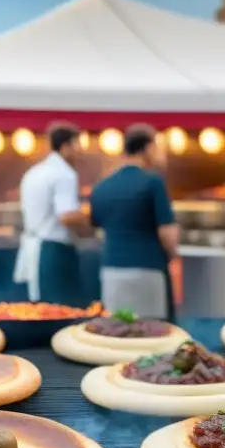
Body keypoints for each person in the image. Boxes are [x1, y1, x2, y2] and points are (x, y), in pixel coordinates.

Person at [89, 124, 179, 320]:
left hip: (111, 270)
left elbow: (96, 226)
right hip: (147, 270)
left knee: (118, 329)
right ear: (147, 148)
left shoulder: (102, 186)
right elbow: (167, 231)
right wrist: (173, 255)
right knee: (151, 333)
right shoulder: (152, 182)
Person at [13, 122, 88, 306]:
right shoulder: (64, 174)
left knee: (40, 311)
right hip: (55, 251)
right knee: (64, 311)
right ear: (65, 146)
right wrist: (90, 218)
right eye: (77, 144)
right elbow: (66, 216)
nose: (80, 150)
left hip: (36, 248)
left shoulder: (34, 172)